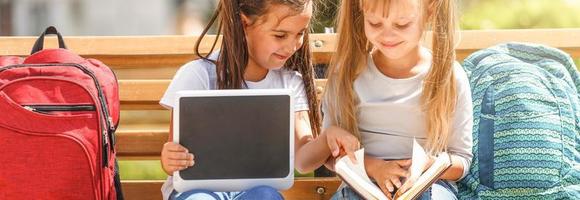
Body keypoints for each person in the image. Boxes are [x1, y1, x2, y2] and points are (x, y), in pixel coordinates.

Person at [158, 0, 359, 199]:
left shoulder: (290, 83)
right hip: (197, 191)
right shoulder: (198, 75)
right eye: (280, 35)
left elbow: (302, 160)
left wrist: (327, 138)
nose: (292, 46)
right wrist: (170, 159)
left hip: (255, 192)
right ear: (245, 23)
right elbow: (174, 153)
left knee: (265, 196)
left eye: (300, 33)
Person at [322, 0, 473, 199]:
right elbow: (330, 153)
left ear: (430, 11)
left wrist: (427, 165)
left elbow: (462, 160)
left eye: (402, 24)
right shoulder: (346, 76)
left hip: (429, 188)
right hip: (360, 188)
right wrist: (375, 167)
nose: (387, 35)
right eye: (375, 23)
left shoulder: (450, 76)